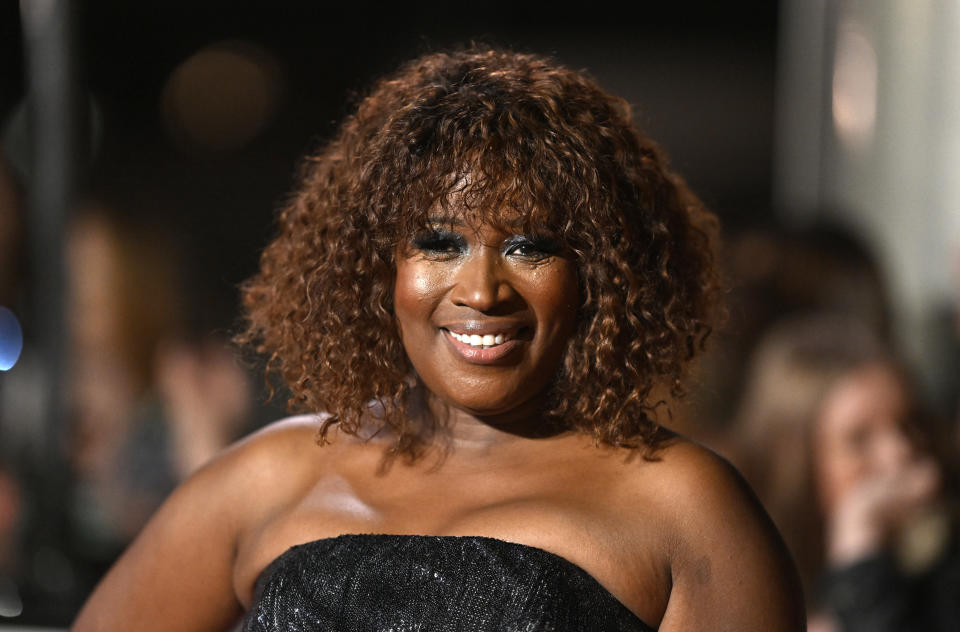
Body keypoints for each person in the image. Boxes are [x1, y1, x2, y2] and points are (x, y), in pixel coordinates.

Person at [73, 46, 803, 631]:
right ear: (377, 266)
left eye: (529, 246)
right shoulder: (271, 476)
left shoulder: (686, 506)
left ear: (599, 274)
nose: (482, 291)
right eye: (439, 242)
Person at [732, 314, 959, 631]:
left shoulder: (945, 566)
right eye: (860, 439)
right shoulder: (746, 589)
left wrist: (861, 561)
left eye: (910, 422)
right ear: (797, 464)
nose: (902, 451)